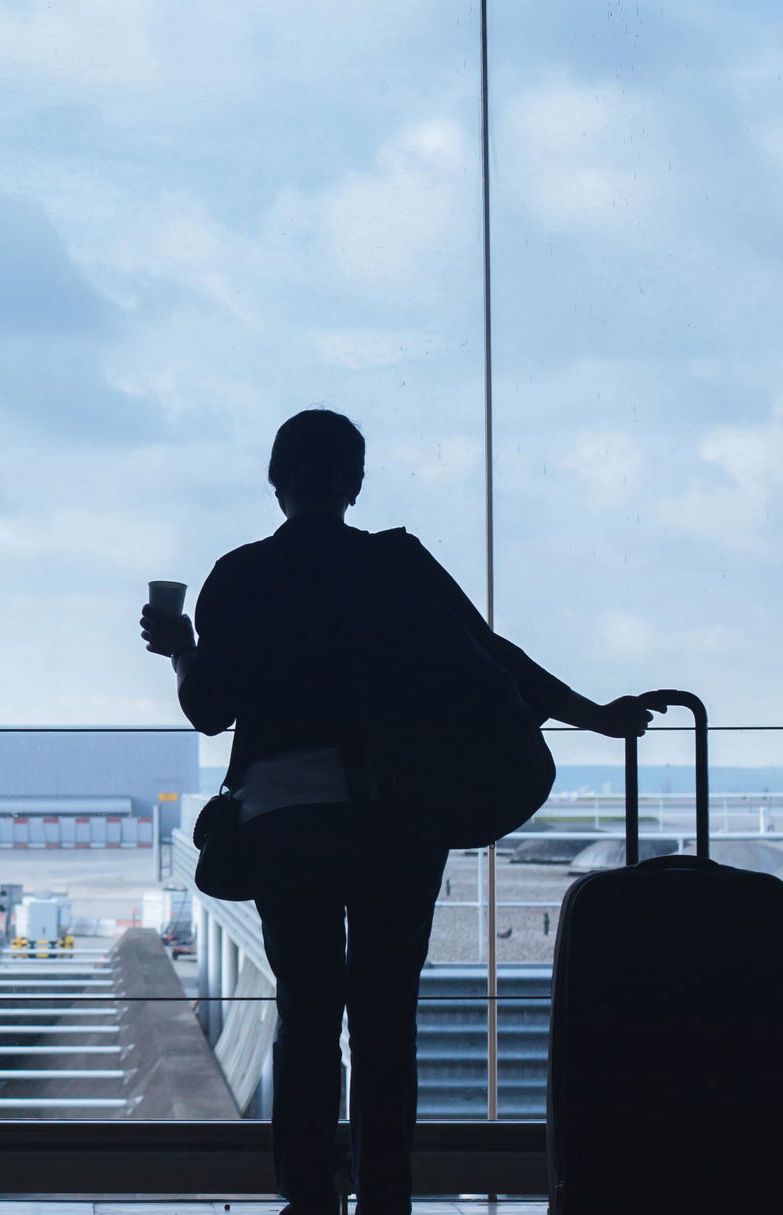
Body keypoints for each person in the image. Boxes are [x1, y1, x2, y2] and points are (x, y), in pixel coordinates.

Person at [138, 409, 650, 1215]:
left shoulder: (239, 575)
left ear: (277, 484)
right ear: (356, 482)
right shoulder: (398, 566)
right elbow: (496, 662)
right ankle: (387, 1198)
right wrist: (596, 715)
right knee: (385, 1021)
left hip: (286, 818)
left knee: (307, 1012)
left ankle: (309, 1194)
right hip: (397, 816)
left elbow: (207, 710)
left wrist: (179, 645)